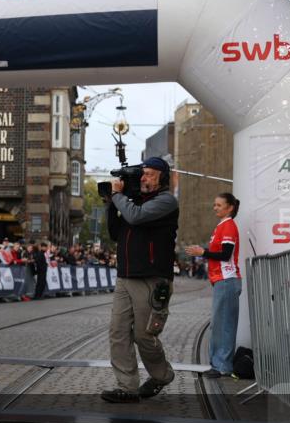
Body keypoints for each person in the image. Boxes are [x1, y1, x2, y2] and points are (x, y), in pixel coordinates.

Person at [101, 157, 179, 403]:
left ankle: (162, 375)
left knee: (144, 336)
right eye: (142, 174)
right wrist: (111, 203)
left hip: (151, 278)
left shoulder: (165, 201)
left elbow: (135, 217)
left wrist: (118, 196)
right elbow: (115, 232)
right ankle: (127, 386)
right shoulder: (132, 202)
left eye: (150, 174)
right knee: (118, 332)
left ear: (162, 178)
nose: (144, 178)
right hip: (125, 276)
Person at [185, 193, 242, 378]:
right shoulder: (222, 226)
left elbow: (225, 254)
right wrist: (203, 252)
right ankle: (218, 364)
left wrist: (203, 252)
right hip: (222, 280)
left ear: (230, 207)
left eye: (218, 205)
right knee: (219, 324)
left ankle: (222, 366)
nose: (214, 208)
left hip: (227, 279)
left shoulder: (228, 226)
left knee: (223, 325)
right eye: (214, 204)